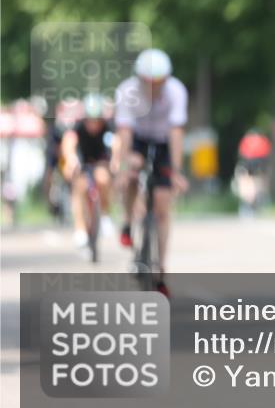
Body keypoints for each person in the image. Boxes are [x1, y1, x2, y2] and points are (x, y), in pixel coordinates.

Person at [111, 48, 189, 296]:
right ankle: (127, 221)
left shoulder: (176, 91)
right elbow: (124, 132)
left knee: (163, 207)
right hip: (138, 139)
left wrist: (176, 171)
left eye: (159, 83)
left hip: (164, 141)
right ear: (140, 79)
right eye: (149, 83)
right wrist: (125, 167)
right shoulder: (127, 91)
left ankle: (160, 270)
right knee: (133, 171)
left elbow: (176, 133)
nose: (154, 88)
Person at [60, 93, 114, 250]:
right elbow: (68, 141)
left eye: (96, 119)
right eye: (90, 119)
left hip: (101, 160)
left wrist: (115, 161)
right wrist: (70, 160)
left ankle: (104, 215)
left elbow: (116, 143)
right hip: (82, 161)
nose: (93, 123)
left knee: (103, 179)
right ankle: (80, 228)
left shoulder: (108, 126)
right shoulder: (78, 126)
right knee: (80, 187)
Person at [234, 128, 272, 217]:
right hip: (259, 165)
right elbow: (267, 154)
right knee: (258, 183)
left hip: (248, 165)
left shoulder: (246, 140)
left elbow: (242, 153)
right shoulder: (263, 140)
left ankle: (248, 204)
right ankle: (257, 201)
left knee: (247, 184)